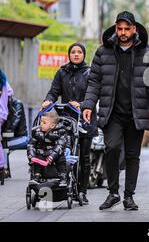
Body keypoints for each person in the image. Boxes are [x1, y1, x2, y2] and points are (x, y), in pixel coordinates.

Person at [82, 11, 149, 211]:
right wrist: (88, 105)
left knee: (133, 155)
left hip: (136, 112)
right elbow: (94, 82)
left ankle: (128, 196)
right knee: (112, 148)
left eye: (127, 28)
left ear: (134, 29)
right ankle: (113, 193)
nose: (123, 32)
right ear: (115, 28)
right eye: (120, 28)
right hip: (112, 112)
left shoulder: (148, 53)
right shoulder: (103, 52)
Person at [41, 42, 97, 204]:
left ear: (84, 55)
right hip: (66, 120)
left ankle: (83, 191)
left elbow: (94, 93)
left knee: (84, 157)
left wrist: (83, 103)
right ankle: (67, 187)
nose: (77, 54)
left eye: (80, 52)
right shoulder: (61, 72)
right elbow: (54, 91)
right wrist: (48, 100)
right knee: (67, 154)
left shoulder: (90, 72)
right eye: (73, 52)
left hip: (86, 118)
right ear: (69, 54)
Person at [27, 111, 68, 186]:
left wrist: (52, 156)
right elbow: (31, 144)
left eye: (44, 123)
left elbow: (60, 145)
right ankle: (37, 176)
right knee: (37, 158)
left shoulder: (60, 132)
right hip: (42, 152)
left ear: (52, 126)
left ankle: (63, 176)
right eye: (40, 122)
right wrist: (31, 155)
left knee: (61, 158)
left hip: (54, 154)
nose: (41, 124)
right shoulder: (37, 132)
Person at [0, 69, 14, 183]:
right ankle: (1, 166)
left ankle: (1, 165)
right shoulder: (3, 79)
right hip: (2, 114)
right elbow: (10, 92)